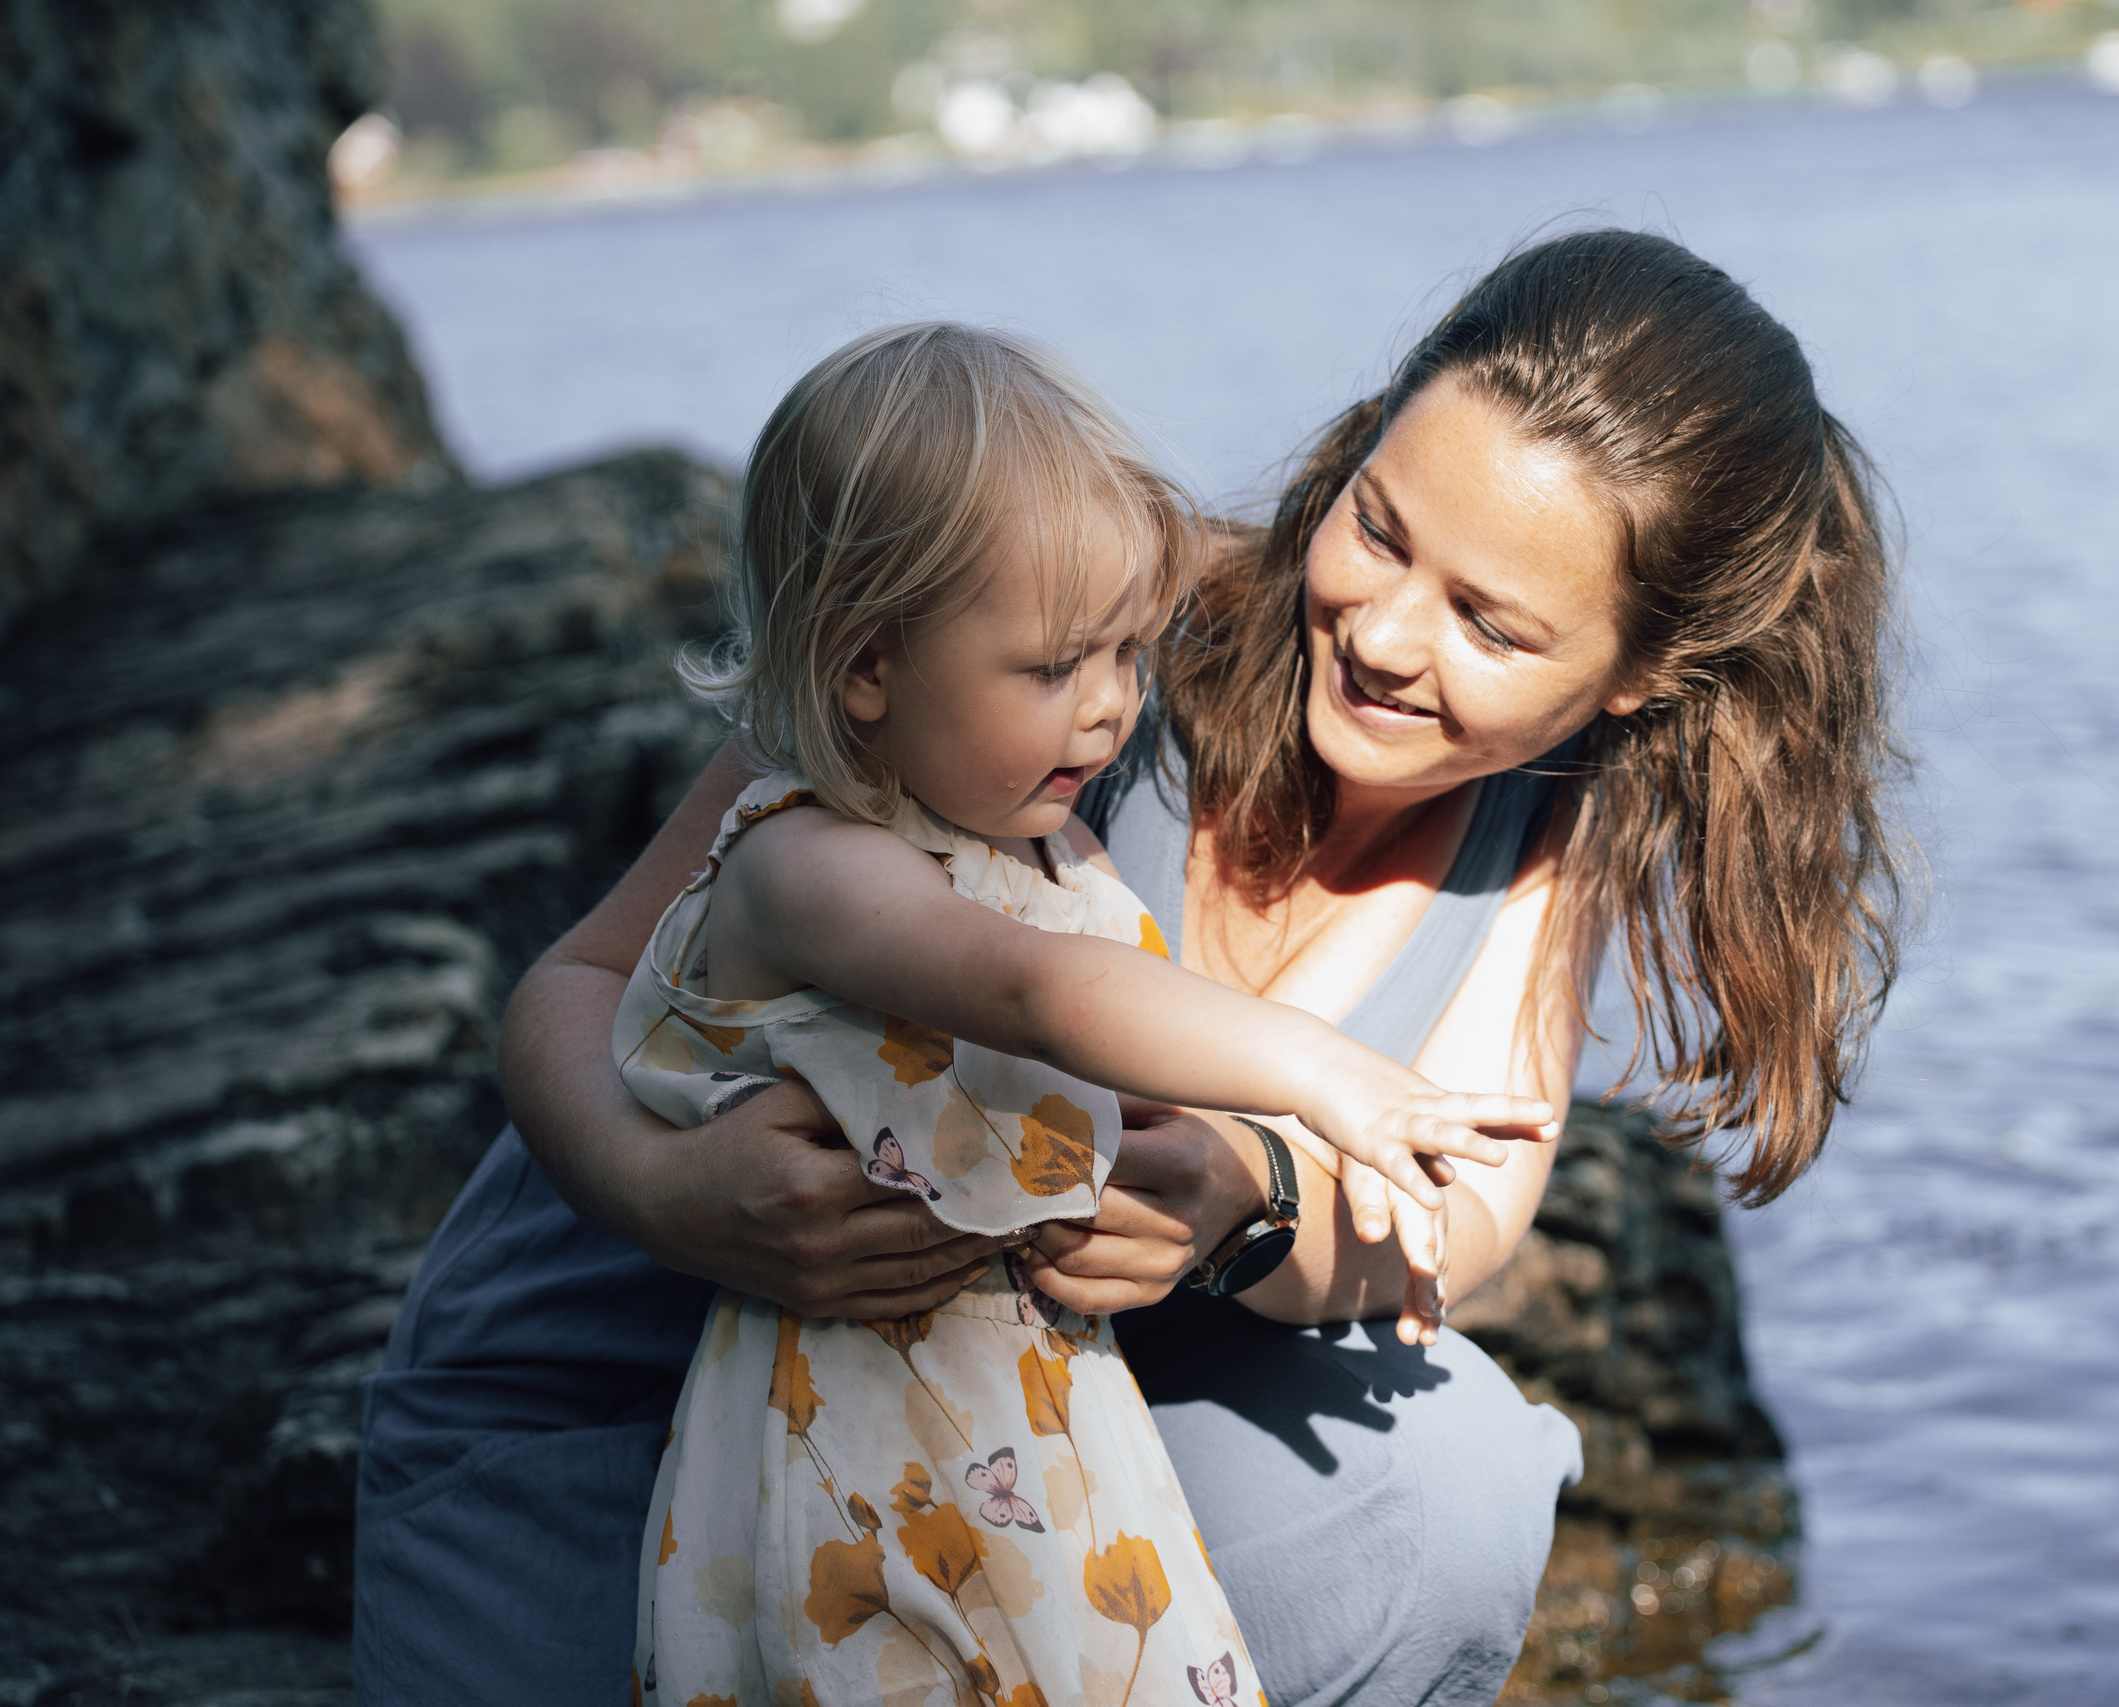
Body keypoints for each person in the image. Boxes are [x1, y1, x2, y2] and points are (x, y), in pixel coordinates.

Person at [355, 228, 1901, 1707]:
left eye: (1492, 624)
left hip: (986, 1430)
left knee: (1451, 1494)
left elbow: (1458, 1219)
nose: (1385, 633)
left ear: (1638, 680)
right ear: (1359, 446)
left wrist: (1248, 1202)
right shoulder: (1067, 622)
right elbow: (573, 984)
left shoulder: (1541, 854)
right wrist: (665, 1195)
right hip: (621, 1388)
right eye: (1380, 527)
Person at [614, 321, 1548, 1706]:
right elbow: (1036, 993)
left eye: (1130, 653)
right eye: (1060, 668)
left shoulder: (1038, 844)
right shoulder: (807, 861)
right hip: (858, 1457)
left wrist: (1244, 1190)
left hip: (1037, 1431)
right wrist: (1325, 1081)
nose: (1114, 712)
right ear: (867, 667)